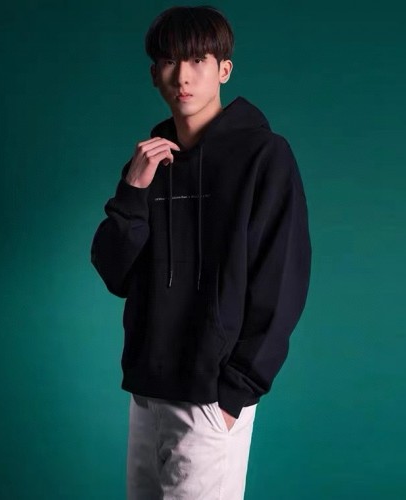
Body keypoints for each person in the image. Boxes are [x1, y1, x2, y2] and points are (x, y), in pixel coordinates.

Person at [90, 5, 311, 499]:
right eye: (170, 61)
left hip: (212, 398)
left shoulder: (264, 156)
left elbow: (282, 281)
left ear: (223, 70)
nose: (183, 76)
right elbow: (114, 273)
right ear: (154, 74)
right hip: (147, 392)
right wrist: (133, 191)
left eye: (197, 60)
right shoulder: (148, 162)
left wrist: (236, 393)